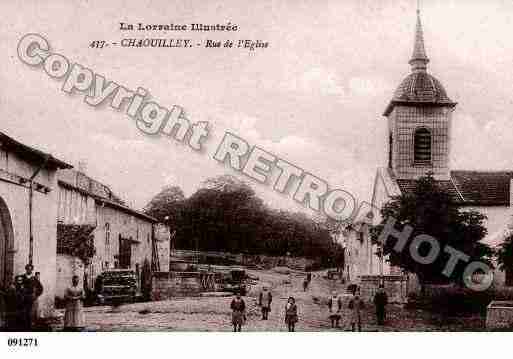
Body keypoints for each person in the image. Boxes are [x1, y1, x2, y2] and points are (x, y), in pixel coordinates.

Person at [21, 264, 43, 330]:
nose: (29, 270)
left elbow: (40, 288)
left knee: (31, 313)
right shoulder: (22, 277)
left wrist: (36, 295)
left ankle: (30, 327)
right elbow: (18, 287)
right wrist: (21, 294)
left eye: (30, 269)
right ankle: (23, 327)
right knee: (23, 312)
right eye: (28, 269)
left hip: (31, 298)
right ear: (26, 269)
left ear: (32, 270)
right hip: (23, 298)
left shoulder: (34, 279)